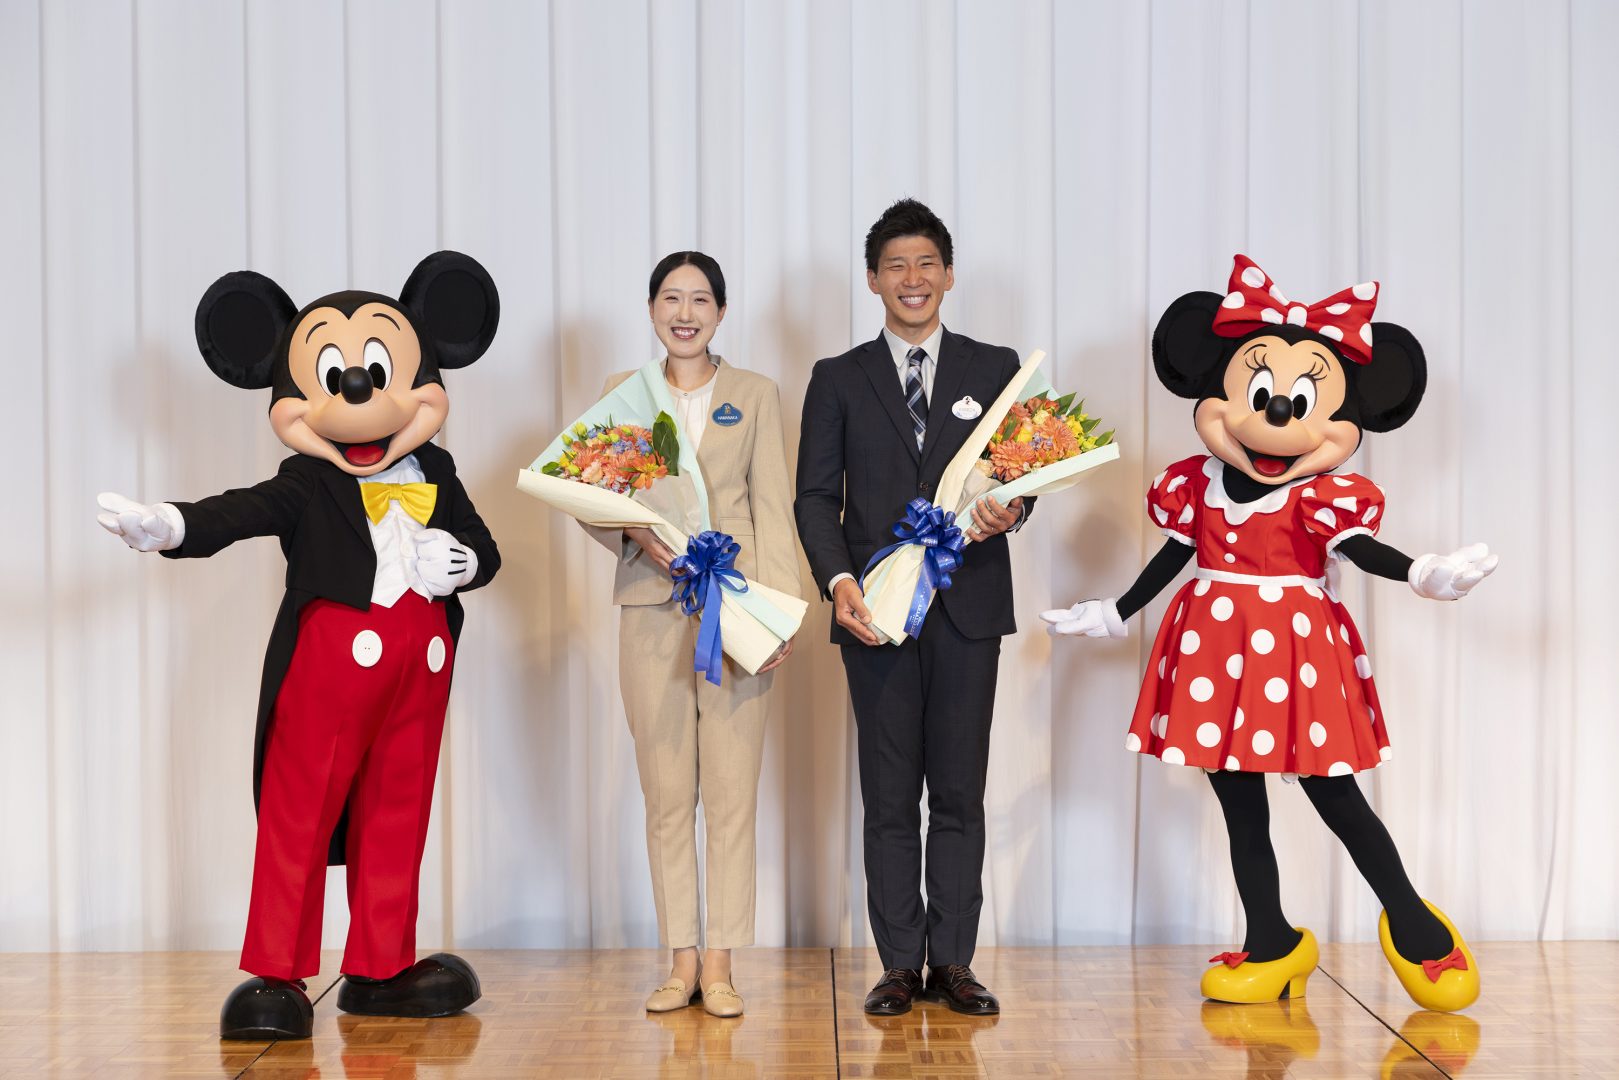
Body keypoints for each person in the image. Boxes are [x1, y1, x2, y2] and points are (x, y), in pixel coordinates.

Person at [1044, 255, 1491, 1012]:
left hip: (1296, 654)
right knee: (1236, 800)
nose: (1277, 414)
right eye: (1257, 392)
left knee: (1335, 795)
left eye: (1300, 399)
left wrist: (1419, 571)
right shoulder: (1197, 485)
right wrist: (1115, 610)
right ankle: (1271, 940)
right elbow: (1177, 553)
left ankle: (1414, 924)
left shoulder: (1324, 496)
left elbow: (1355, 548)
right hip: (1214, 651)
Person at [794, 199, 1030, 1016]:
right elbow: (815, 498)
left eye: (925, 263)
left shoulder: (994, 367)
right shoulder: (838, 378)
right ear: (872, 281)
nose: (912, 278)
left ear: (949, 274)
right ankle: (899, 963)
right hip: (876, 615)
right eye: (895, 265)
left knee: (959, 792)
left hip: (969, 609)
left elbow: (1017, 476)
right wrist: (838, 582)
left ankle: (954, 963)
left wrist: (1012, 509)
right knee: (890, 795)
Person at [584, 251, 800, 1018]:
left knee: (733, 792)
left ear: (720, 311)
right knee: (667, 792)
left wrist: (780, 617)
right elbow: (587, 487)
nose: (685, 312)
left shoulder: (755, 394)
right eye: (671, 298)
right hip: (650, 607)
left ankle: (722, 964)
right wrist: (634, 536)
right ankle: (678, 961)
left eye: (700, 299)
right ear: (650, 309)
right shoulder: (621, 394)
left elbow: (774, 506)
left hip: (738, 607)